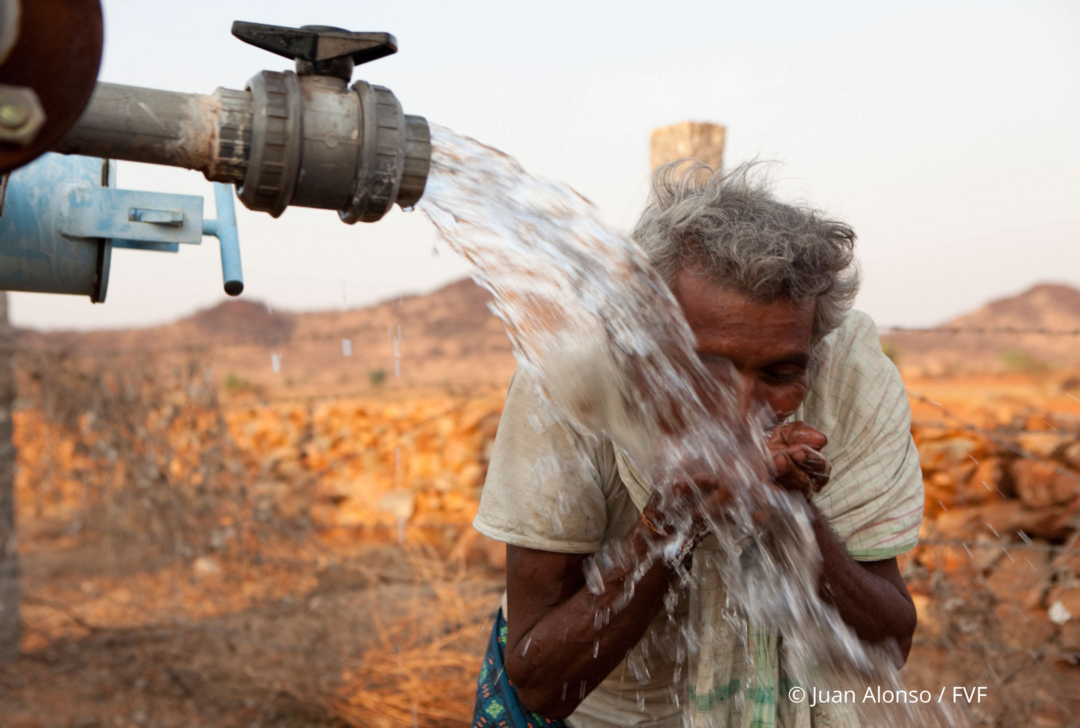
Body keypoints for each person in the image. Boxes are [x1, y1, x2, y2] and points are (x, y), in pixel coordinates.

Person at [471, 162, 923, 728]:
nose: (738, 412)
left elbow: (887, 648)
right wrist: (671, 519)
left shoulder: (851, 373)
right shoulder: (570, 378)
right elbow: (541, 683)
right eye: (705, 372)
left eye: (781, 375)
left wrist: (791, 515)